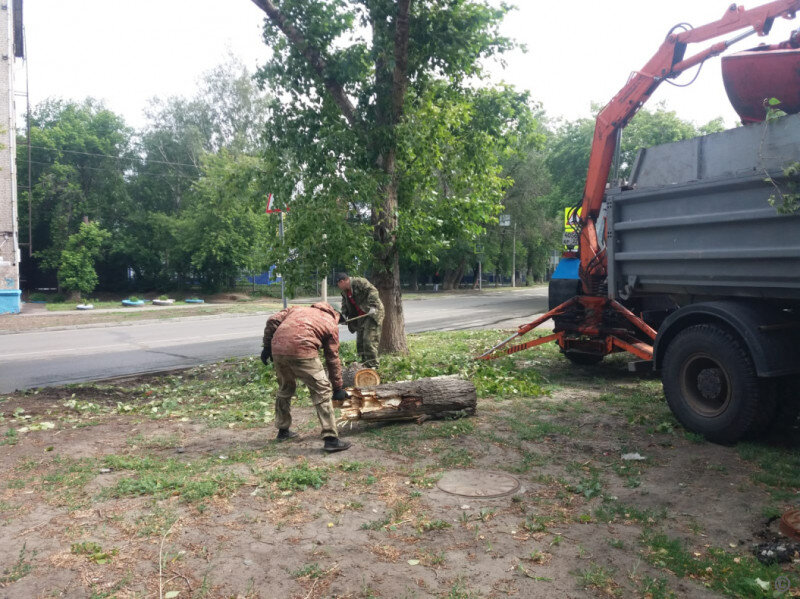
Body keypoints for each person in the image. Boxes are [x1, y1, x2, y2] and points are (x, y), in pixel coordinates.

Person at [261, 302, 351, 453]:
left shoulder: (297, 309)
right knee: (322, 390)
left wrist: (267, 347)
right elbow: (332, 358)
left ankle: (283, 431)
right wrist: (337, 388)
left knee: (285, 388)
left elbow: (272, 320)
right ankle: (331, 439)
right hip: (303, 350)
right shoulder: (330, 322)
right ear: (336, 314)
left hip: (278, 350)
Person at [335, 272, 384, 368]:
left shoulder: (359, 282)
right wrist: (344, 316)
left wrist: (373, 306)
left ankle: (373, 366)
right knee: (360, 342)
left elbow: (373, 290)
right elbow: (345, 305)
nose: (338, 287)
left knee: (368, 340)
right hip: (361, 317)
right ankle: (364, 364)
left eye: (338, 284)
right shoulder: (345, 292)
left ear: (342, 281)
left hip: (372, 314)